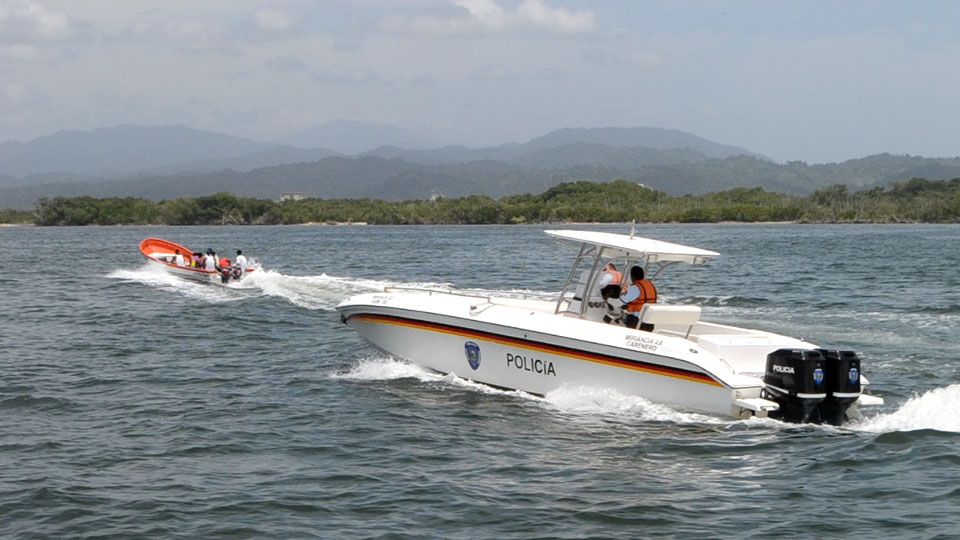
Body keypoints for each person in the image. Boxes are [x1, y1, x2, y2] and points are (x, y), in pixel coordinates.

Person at [620, 265, 658, 331]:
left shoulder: (635, 288)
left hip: (637, 322)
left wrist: (622, 292)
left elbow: (622, 300)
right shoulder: (651, 285)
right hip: (649, 321)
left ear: (632, 276)